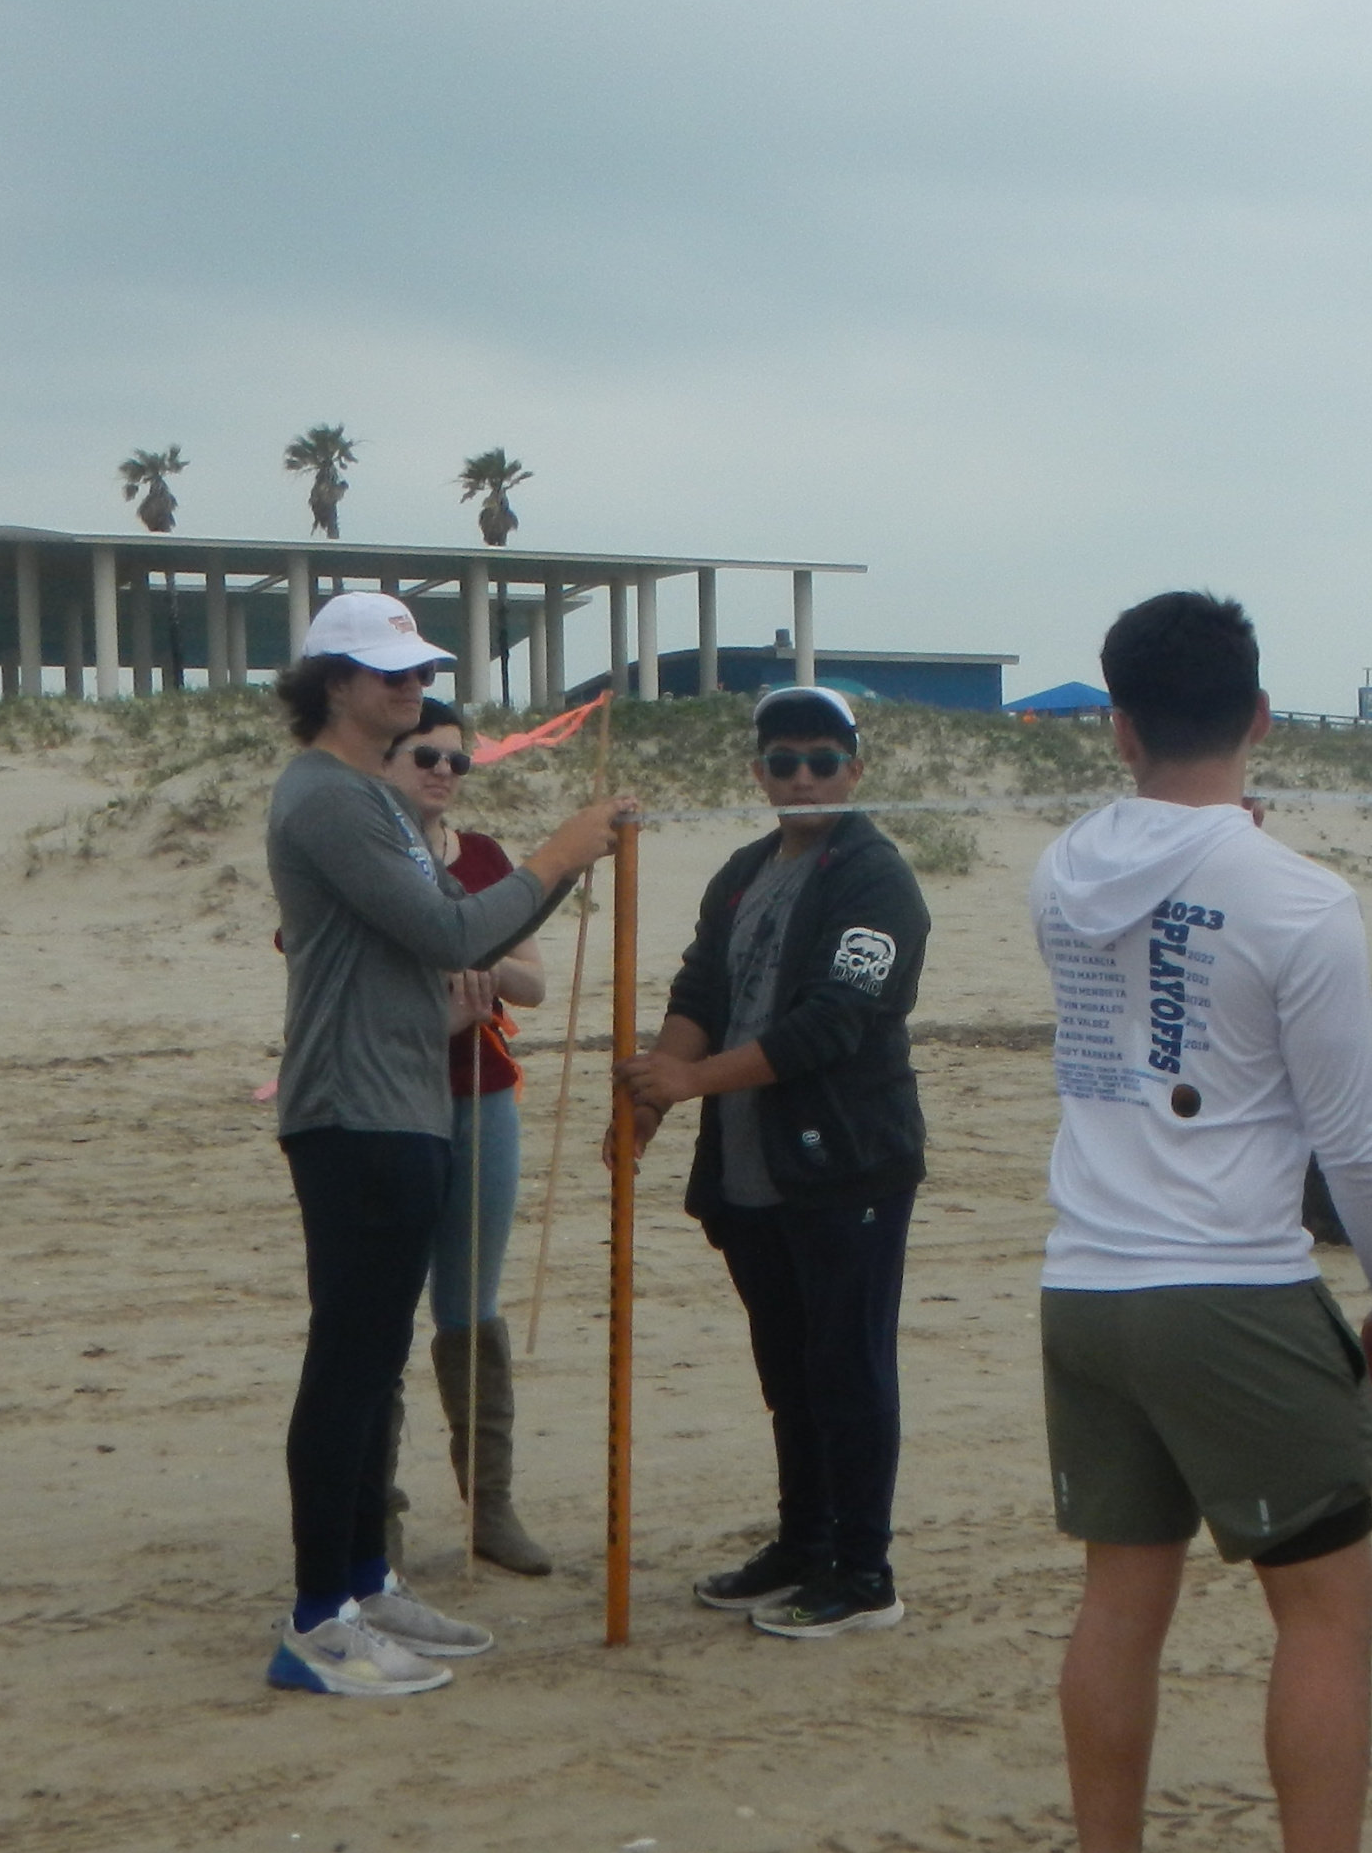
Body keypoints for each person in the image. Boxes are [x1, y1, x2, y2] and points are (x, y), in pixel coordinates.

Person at [1031, 591, 1372, 1853]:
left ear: (1117, 724)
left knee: (1122, 1597)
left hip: (1088, 1279)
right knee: (1323, 1611)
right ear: (1259, 719)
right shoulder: (1296, 898)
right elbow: (1359, 1140)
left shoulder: (1062, 872)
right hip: (1221, 1282)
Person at [265, 596, 634, 1696]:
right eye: (386, 676)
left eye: (418, 673)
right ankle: (317, 1619)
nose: (408, 691)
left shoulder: (368, 802)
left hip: (405, 1105)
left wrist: (539, 875)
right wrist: (561, 855)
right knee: (348, 1369)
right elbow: (454, 933)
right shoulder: (327, 798)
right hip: (356, 1113)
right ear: (332, 683)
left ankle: (366, 1582)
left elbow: (471, 944)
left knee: (373, 1362)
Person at [619, 686, 931, 1641]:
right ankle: (802, 1542)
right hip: (752, 1171)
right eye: (784, 761)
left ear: (855, 768)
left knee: (849, 1367)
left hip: (847, 1166)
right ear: (757, 772)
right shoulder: (745, 871)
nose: (802, 778)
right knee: (788, 1367)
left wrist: (690, 1080)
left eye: (822, 761)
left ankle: (862, 1570)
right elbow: (702, 987)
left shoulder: (875, 879)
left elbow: (833, 1025)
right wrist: (651, 1097)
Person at [381, 693, 554, 1576]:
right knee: (377, 1311)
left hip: (481, 1094)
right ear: (385, 760)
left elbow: (531, 983)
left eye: (457, 760)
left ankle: (490, 1505)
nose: (443, 772)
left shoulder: (483, 857)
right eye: (425, 757)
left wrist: (471, 963)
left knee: (471, 1305)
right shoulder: (360, 849)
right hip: (385, 1099)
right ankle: (376, 1513)